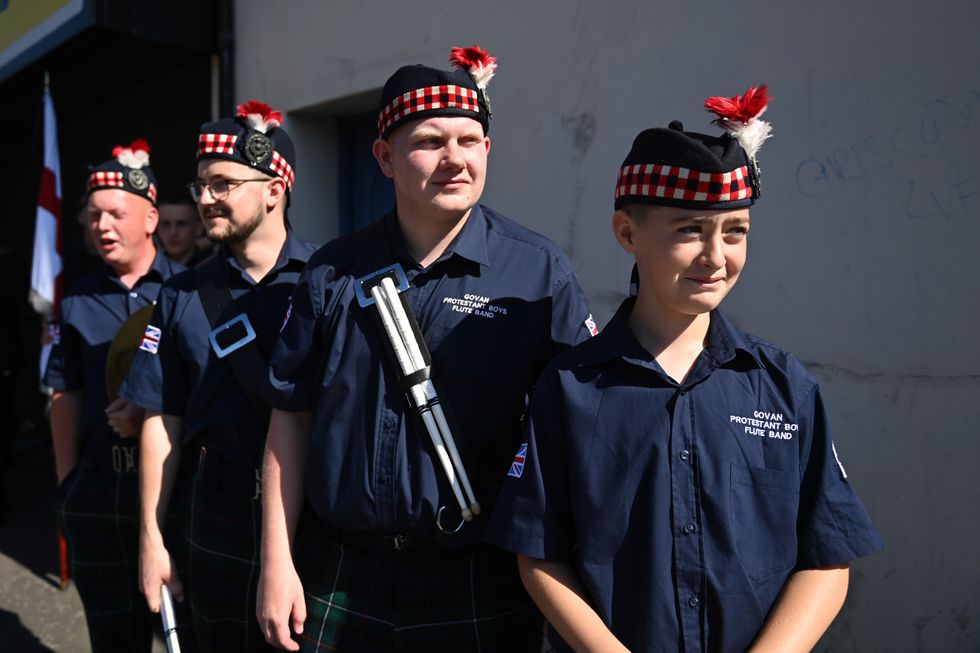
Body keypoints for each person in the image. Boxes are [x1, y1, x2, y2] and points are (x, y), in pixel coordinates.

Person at [486, 86, 884, 652]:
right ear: (628, 233)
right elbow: (539, 555)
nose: (716, 257)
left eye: (735, 231)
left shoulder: (783, 384)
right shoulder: (571, 387)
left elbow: (828, 558)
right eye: (689, 230)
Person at [257, 45, 596, 652]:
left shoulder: (539, 276)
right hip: (337, 567)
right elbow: (291, 417)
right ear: (385, 157)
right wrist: (276, 563)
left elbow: (579, 437)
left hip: (477, 575)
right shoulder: (332, 271)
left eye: (470, 141)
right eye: (430, 141)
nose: (455, 159)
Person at [122, 101, 317, 652]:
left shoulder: (328, 281)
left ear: (275, 188)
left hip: (313, 515)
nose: (205, 198)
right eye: (202, 184)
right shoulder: (180, 293)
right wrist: (152, 538)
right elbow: (162, 418)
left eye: (223, 184)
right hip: (213, 514)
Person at [46, 139, 182, 653]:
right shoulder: (76, 296)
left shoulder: (187, 289)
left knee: (182, 629)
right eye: (94, 215)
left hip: (174, 485)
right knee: (112, 634)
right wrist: (66, 486)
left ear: (150, 218)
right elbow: (65, 391)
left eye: (115, 214)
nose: (101, 225)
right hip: (100, 484)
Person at [157, 196, 210, 266]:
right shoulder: (148, 268)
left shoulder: (214, 266)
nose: (173, 232)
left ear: (198, 228)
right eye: (166, 224)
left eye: (181, 224)